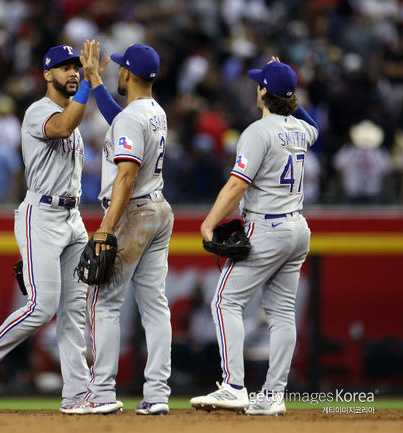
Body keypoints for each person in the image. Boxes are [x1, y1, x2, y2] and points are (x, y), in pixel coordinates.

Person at [0, 42, 95, 413]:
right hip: (42, 215)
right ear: (47, 74)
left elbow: (74, 125)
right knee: (41, 307)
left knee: (74, 313)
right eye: (64, 68)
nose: (72, 72)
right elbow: (64, 127)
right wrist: (88, 85)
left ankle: (77, 395)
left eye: (75, 68)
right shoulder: (39, 111)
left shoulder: (75, 114)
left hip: (72, 217)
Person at [189, 57, 319, 416]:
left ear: (263, 91)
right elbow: (313, 125)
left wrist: (210, 222)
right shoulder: (302, 131)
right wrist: (288, 87)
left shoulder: (257, 132)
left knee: (223, 302)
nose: (255, 87)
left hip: (267, 226)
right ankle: (273, 396)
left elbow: (236, 185)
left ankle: (233, 387)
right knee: (282, 314)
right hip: (297, 228)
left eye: (260, 84)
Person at [78, 42, 174, 415]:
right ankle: (158, 393)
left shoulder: (132, 118)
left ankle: (100, 393)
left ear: (128, 73)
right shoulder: (153, 112)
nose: (118, 71)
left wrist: (105, 228)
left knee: (103, 304)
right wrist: (95, 81)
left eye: (120, 67)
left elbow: (127, 175)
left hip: (132, 212)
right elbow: (119, 119)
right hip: (159, 209)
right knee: (155, 307)